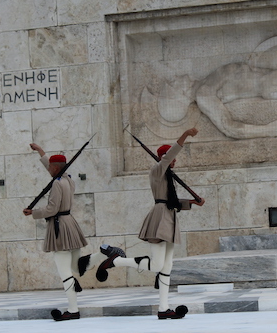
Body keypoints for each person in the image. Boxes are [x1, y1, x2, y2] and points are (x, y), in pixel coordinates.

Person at [95, 128, 205, 320]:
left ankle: (164, 308)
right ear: (164, 157)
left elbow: (171, 200)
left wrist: (192, 203)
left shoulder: (167, 176)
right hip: (160, 219)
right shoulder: (157, 170)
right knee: (156, 265)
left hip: (170, 219)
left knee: (167, 266)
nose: (175, 161)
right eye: (171, 158)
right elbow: (170, 159)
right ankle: (116, 260)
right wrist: (185, 135)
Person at [24, 143, 101, 322]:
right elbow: (52, 167)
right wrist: (41, 152)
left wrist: (33, 213)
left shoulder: (57, 185)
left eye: (51, 167)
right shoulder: (68, 180)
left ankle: (72, 310)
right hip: (71, 225)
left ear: (56, 168)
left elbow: (51, 209)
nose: (48, 169)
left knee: (65, 272)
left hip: (59, 226)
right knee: (75, 267)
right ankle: (103, 255)